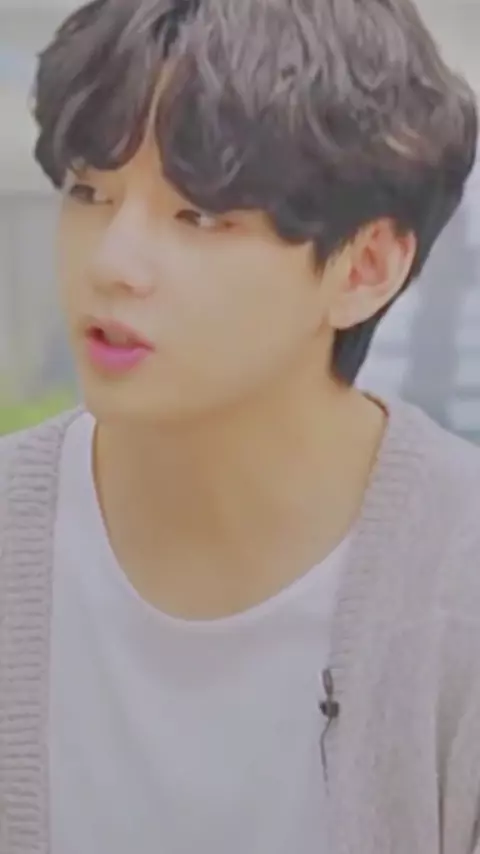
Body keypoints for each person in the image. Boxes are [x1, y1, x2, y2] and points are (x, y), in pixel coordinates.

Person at [0, 0, 479, 852]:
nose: (111, 263)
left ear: (365, 267)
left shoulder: (455, 579)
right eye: (89, 192)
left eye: (199, 216)